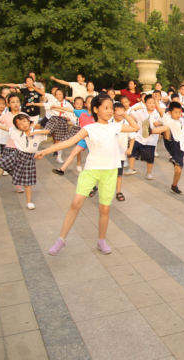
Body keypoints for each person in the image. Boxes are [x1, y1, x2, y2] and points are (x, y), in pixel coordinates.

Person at [39, 96, 139, 255]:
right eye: (105, 108)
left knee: (105, 209)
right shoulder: (90, 128)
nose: (109, 111)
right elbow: (68, 142)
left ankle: (101, 240)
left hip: (110, 171)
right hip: (92, 171)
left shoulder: (115, 126)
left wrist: (124, 113)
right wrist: (44, 151)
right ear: (95, 109)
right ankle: (61, 240)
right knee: (76, 203)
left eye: (111, 108)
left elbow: (135, 128)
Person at [0, 114, 51, 209]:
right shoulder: (16, 132)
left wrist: (34, 133)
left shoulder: (37, 132)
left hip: (29, 159)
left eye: (24, 121)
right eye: (19, 124)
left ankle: (29, 202)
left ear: (28, 120)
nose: (23, 124)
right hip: (17, 154)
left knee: (27, 183)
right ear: (17, 126)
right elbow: (6, 128)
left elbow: (48, 131)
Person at [153, 102, 184, 195]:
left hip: (180, 148)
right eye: (175, 112)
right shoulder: (168, 120)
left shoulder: (181, 121)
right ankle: (149, 131)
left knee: (178, 170)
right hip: (171, 141)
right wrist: (156, 99)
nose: (177, 115)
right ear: (170, 112)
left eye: (179, 112)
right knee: (166, 128)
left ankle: (174, 186)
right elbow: (161, 112)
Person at [112, 103, 135, 202]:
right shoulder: (109, 123)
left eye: (123, 111)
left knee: (119, 175)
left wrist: (130, 149)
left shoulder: (126, 124)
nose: (121, 114)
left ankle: (118, 191)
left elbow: (133, 137)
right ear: (113, 112)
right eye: (118, 111)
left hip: (120, 154)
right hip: (109, 154)